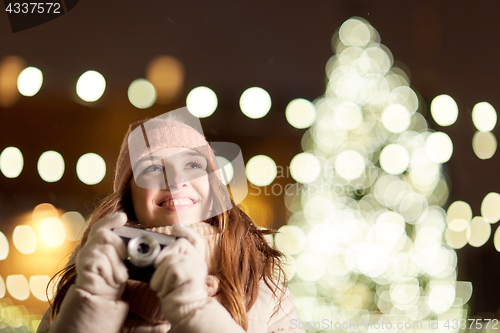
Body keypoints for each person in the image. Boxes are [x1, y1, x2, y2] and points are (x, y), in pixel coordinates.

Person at [36, 116, 306, 333]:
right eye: (153, 168)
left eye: (192, 164)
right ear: (129, 195)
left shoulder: (264, 292)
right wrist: (92, 303)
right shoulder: (80, 289)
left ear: (213, 188)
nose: (175, 180)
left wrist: (196, 311)